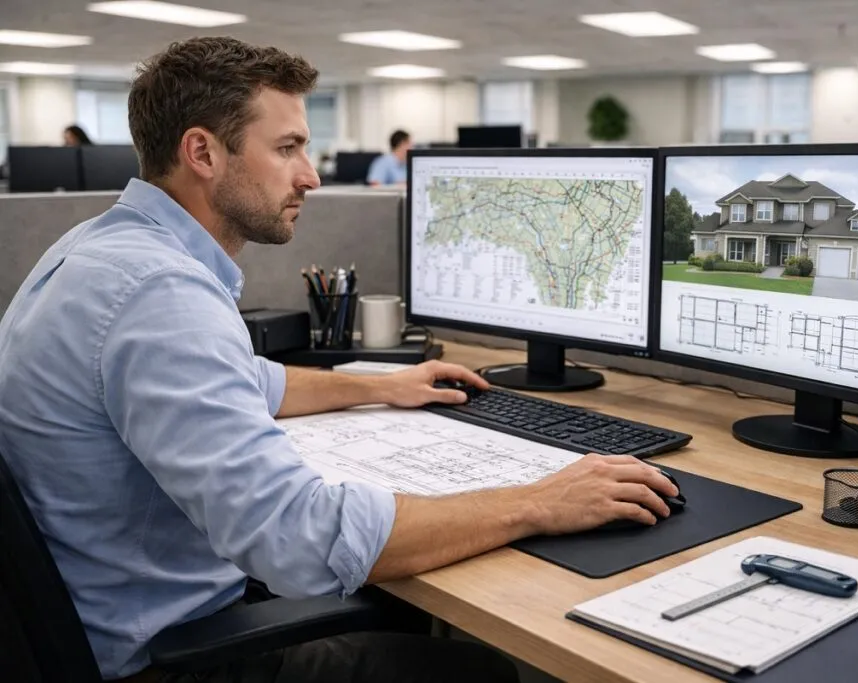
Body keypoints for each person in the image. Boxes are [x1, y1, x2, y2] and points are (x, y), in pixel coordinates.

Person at [0, 37, 678, 683]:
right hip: (163, 657)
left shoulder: (98, 250)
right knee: (482, 670)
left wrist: (381, 386)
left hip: (105, 611)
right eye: (287, 147)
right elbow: (298, 536)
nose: (311, 175)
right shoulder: (161, 293)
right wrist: (538, 501)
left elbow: (246, 380)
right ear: (202, 152)